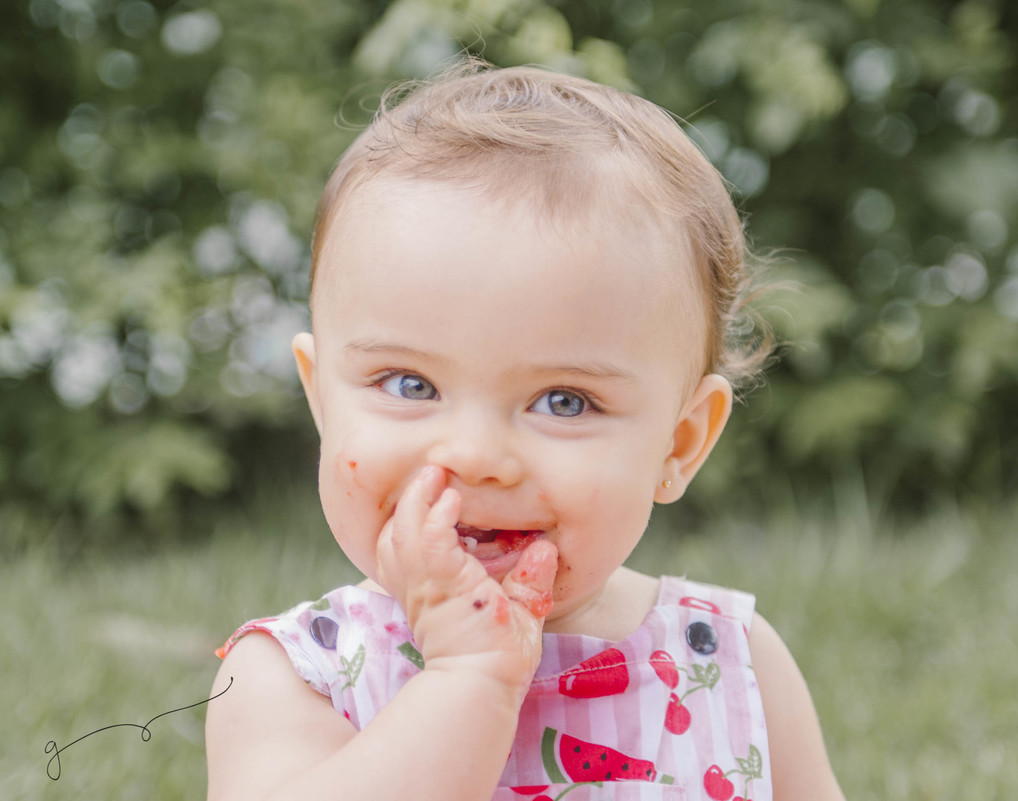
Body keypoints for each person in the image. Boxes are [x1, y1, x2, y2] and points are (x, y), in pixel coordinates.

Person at [205, 61, 844, 801]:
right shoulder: (293, 675)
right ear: (322, 401)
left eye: (564, 401)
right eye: (411, 385)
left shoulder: (733, 664)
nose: (476, 456)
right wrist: (468, 676)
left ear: (679, 444)